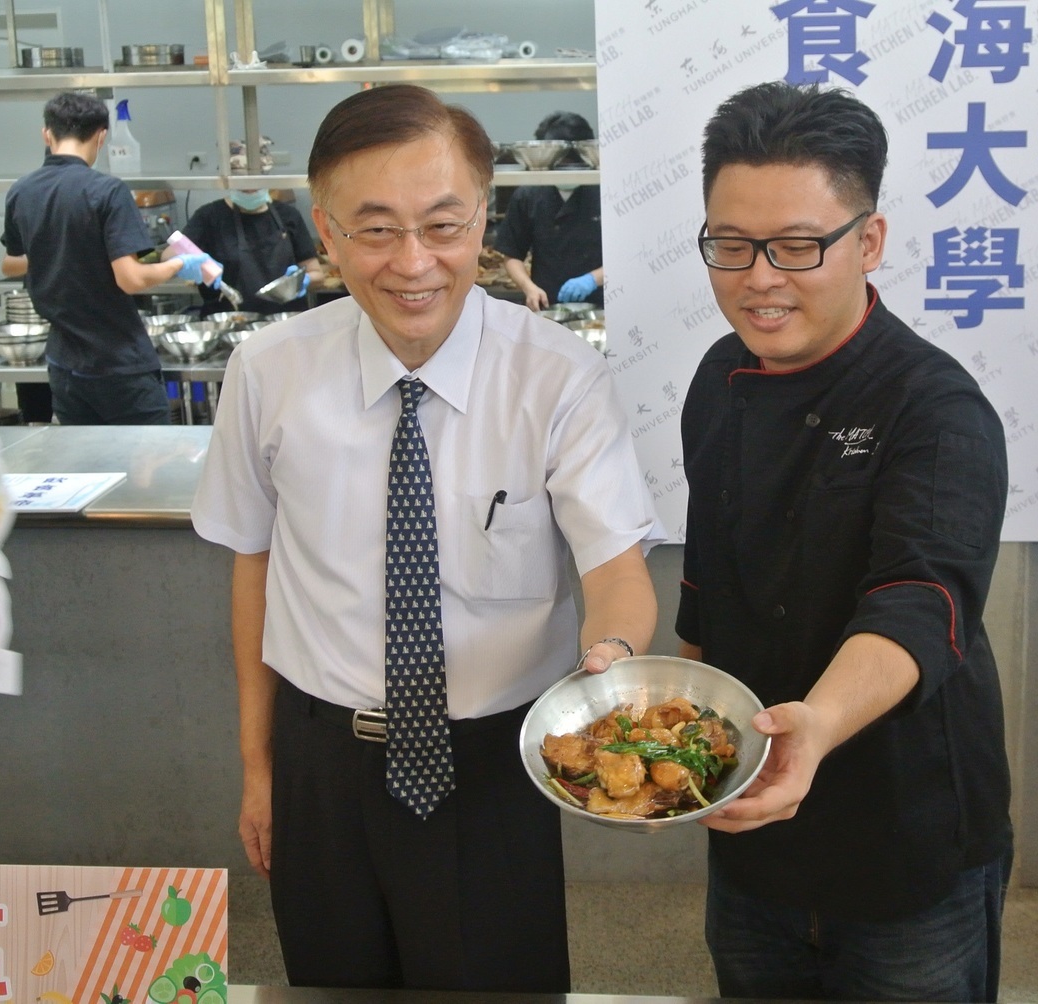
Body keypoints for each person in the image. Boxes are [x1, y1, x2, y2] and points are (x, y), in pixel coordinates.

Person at [190, 84, 661, 992]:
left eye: (444, 226)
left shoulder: (560, 378)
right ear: (324, 232)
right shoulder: (267, 372)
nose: (414, 264)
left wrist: (611, 655)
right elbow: (252, 567)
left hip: (494, 766)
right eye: (375, 230)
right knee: (332, 985)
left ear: (484, 217)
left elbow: (615, 566)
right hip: (320, 762)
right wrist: (259, 768)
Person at [677, 82, 1013, 1003]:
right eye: (732, 246)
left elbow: (922, 596)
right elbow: (708, 578)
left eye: (796, 246)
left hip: (903, 826)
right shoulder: (718, 376)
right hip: (752, 807)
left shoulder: (935, 408)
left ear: (869, 242)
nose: (758, 277)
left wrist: (817, 726)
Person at [0, 91, 219, 425]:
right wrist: (180, 264)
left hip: (64, 364)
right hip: (117, 362)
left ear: (47, 134)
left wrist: (61, 249)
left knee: (92, 464)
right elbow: (130, 279)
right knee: (149, 465)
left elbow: (10, 263)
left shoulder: (22, 190)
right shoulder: (107, 191)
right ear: (101, 137)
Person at [495, 111, 604, 310]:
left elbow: (626, 256)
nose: (568, 170)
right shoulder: (529, 194)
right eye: (562, 163)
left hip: (601, 303)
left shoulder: (603, 191)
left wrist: (593, 279)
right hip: (546, 303)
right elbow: (512, 255)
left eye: (575, 163)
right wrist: (528, 288)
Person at [181, 189, 323, 317]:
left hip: (285, 323)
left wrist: (302, 281)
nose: (249, 187)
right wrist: (193, 264)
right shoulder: (208, 217)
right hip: (230, 325)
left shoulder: (289, 215)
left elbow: (317, 275)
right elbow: (170, 253)